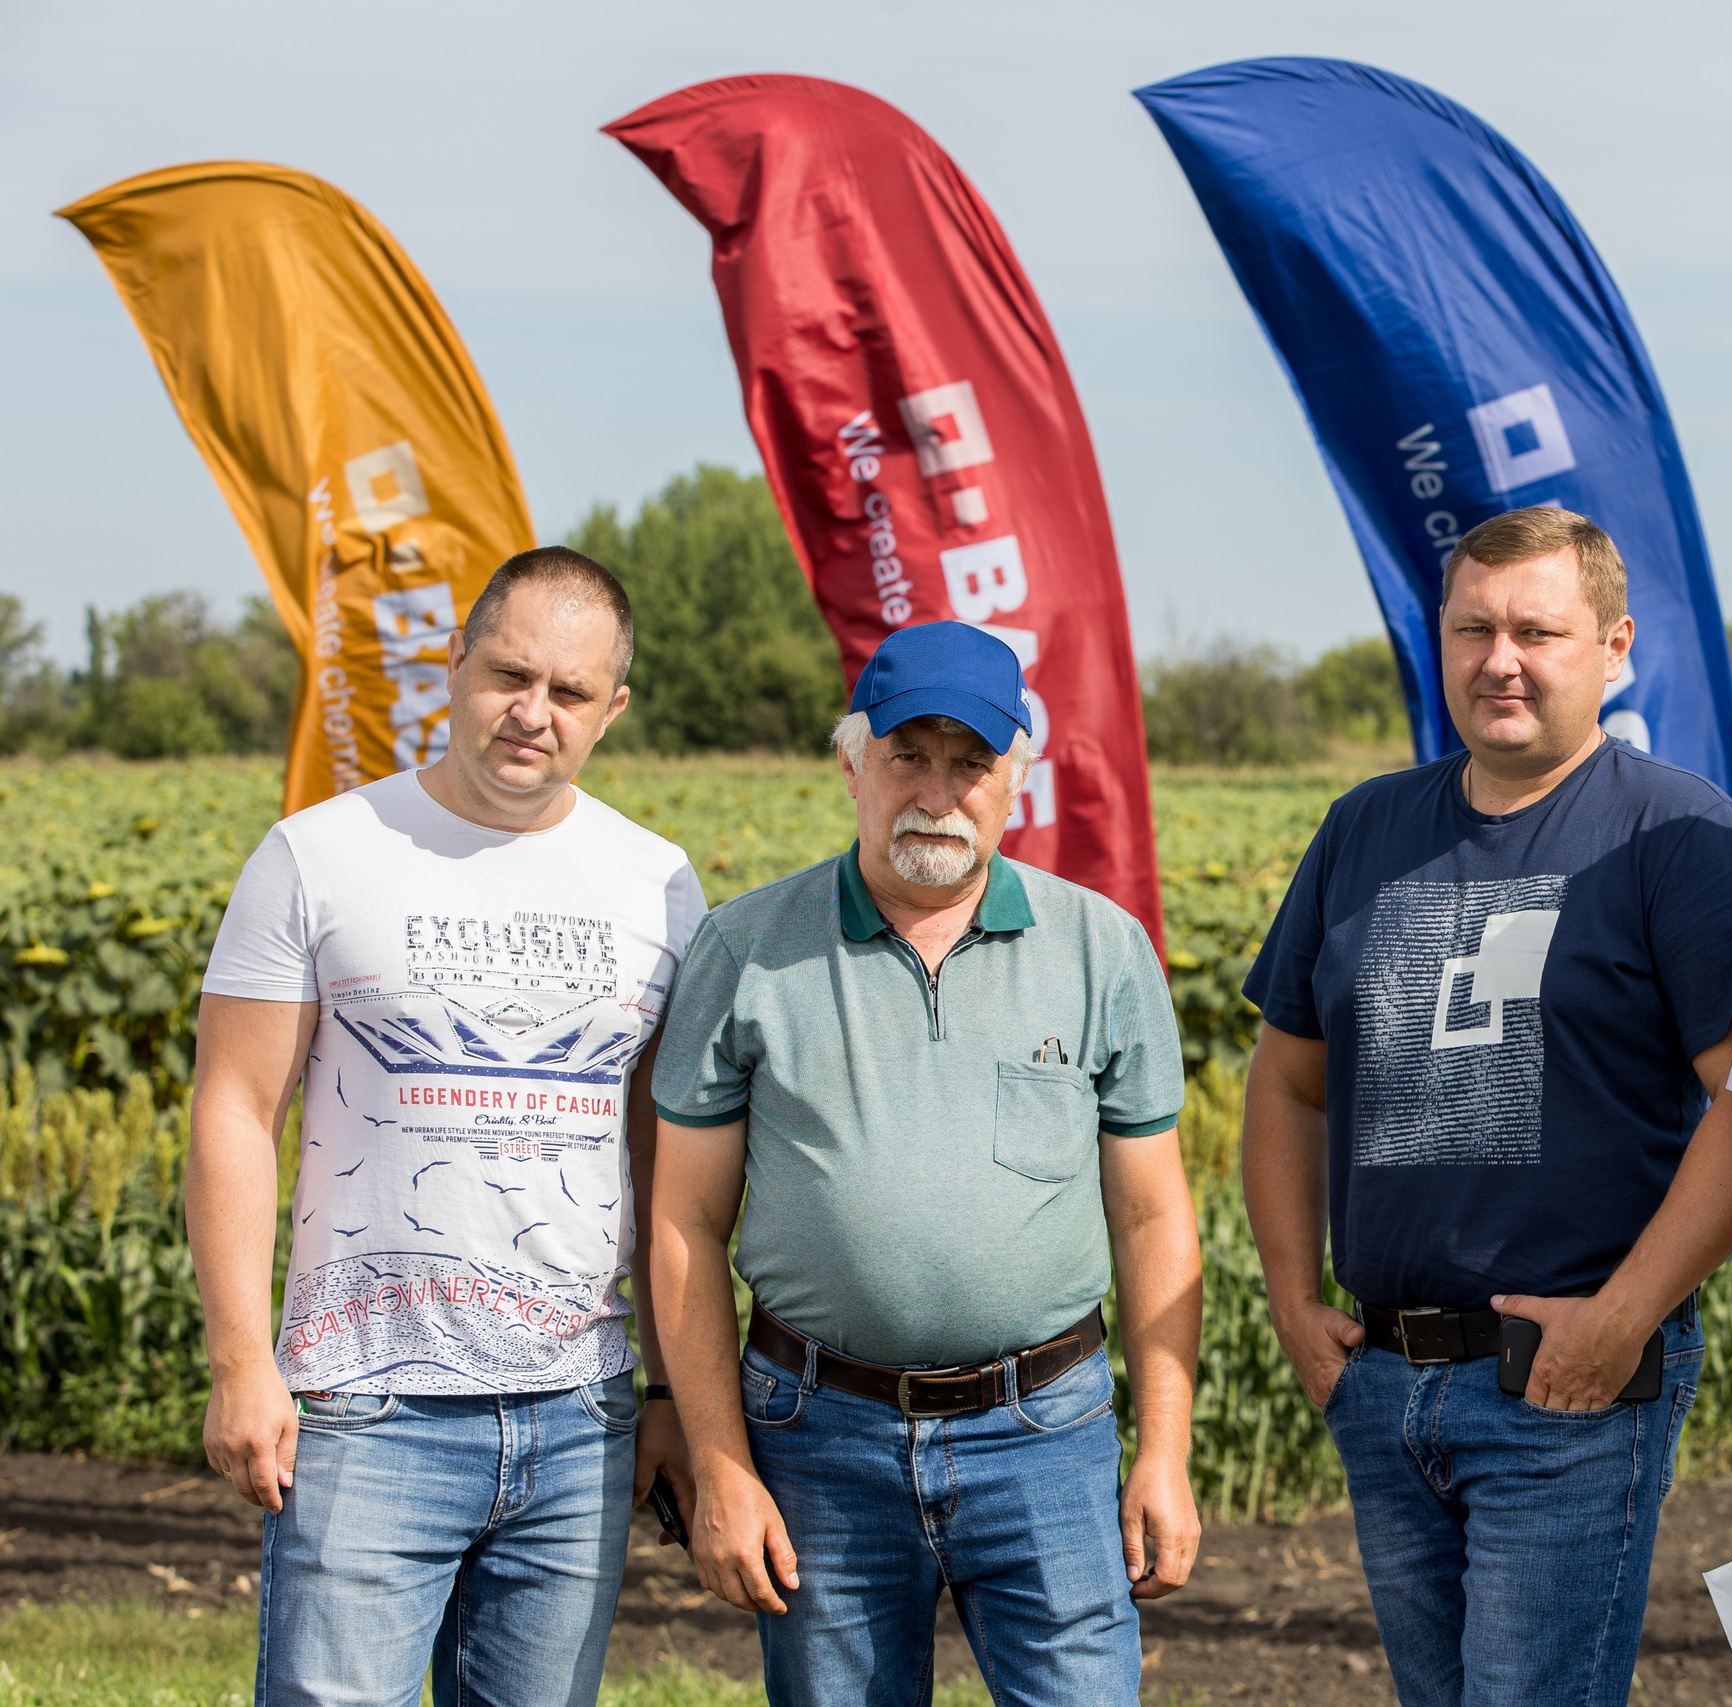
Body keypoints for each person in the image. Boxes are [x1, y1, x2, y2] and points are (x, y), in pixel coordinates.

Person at [1239, 504, 1732, 1706]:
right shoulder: (1364, 828)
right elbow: (1286, 1078)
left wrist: (1626, 1316)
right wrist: (1291, 1296)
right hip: (1384, 1377)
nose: (1500, 659)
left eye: (1537, 631)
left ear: (1614, 646)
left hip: (1567, 1385)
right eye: (1473, 628)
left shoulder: (1677, 835)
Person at [648, 620, 1200, 1707]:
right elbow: (683, 1225)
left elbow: (1152, 1219)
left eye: (971, 762)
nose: (937, 791)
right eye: (908, 754)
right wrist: (719, 1462)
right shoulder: (746, 948)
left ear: (1016, 782)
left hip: (1046, 1432)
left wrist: (1164, 1450)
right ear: (851, 761)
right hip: (817, 1438)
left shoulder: (1101, 948)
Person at [191, 548, 705, 1707]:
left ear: (611, 710)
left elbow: (660, 1159)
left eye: (570, 694)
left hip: (579, 1414)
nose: (532, 714)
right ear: (455, 664)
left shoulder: (660, 885)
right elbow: (234, 1109)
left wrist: (668, 1396)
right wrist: (240, 1362)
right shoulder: (317, 855)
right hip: (366, 1410)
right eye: (509, 675)